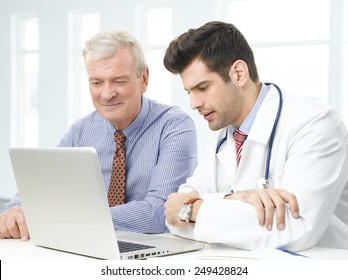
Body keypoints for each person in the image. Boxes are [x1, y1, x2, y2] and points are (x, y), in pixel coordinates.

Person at [163, 21, 348, 251]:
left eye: (203, 87)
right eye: (189, 92)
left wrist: (195, 210)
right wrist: (236, 199)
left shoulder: (315, 123)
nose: (193, 103)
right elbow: (173, 214)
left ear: (239, 74)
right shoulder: (223, 130)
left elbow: (294, 229)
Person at [0, 30, 197, 240]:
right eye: (96, 82)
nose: (106, 94)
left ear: (144, 79)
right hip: (87, 243)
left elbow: (158, 212)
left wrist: (72, 219)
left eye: (119, 81)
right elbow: (40, 186)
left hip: (154, 250)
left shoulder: (174, 125)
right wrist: (16, 210)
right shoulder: (81, 131)